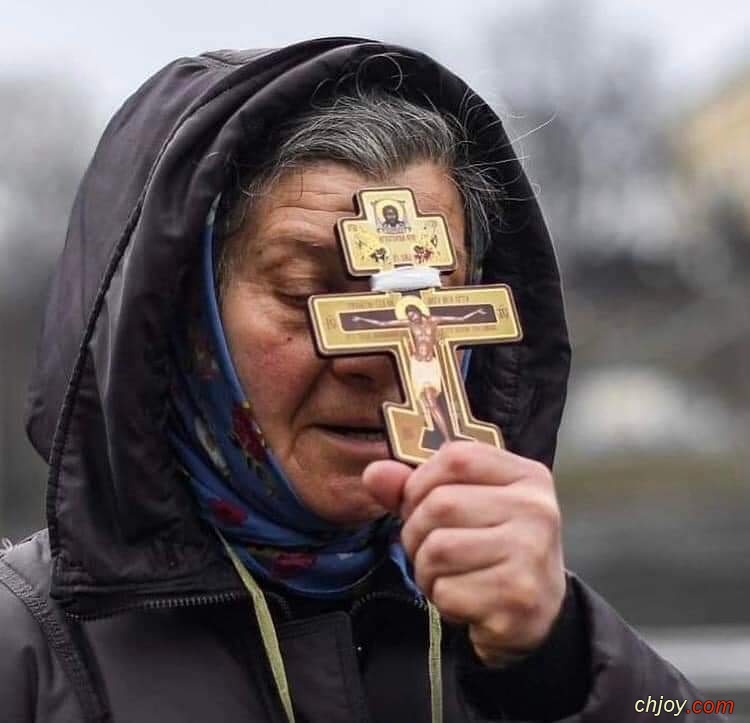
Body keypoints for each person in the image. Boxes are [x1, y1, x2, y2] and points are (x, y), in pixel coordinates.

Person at [0, 38, 720, 722]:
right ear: (182, 323)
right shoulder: (27, 651)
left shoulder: (532, 621)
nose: (383, 358)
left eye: (434, 294)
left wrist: (554, 666)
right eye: (311, 291)